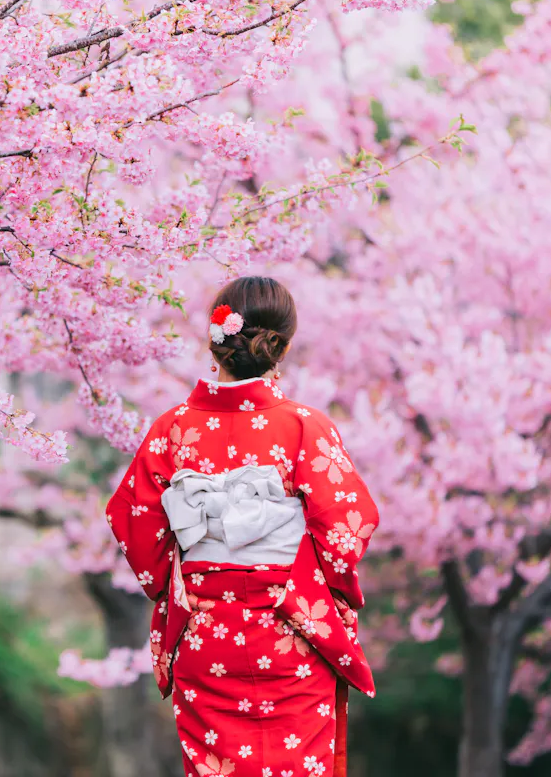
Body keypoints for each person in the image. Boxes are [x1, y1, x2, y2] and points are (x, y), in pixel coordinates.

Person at [104, 276, 380, 777]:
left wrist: (190, 584)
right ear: (283, 345)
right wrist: (308, 589)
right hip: (289, 630)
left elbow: (134, 524)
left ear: (216, 341)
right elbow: (346, 529)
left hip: (206, 636)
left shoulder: (172, 429)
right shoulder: (304, 427)